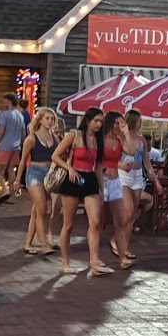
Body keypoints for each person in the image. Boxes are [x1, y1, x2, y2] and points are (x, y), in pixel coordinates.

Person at [51, 106, 111, 276]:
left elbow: (99, 167)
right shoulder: (74, 135)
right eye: (96, 121)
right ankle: (65, 262)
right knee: (68, 224)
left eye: (101, 121)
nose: (99, 124)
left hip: (90, 178)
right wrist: (69, 168)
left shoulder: (99, 140)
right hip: (73, 179)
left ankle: (94, 260)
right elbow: (55, 155)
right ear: (88, 120)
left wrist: (101, 189)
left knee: (95, 222)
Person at [14, 106, 60, 255]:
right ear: (39, 120)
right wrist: (17, 180)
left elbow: (59, 157)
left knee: (36, 211)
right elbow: (22, 160)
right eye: (47, 118)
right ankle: (43, 243)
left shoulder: (55, 138)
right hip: (34, 173)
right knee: (42, 210)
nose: (50, 121)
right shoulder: (31, 138)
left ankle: (28, 244)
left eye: (52, 118)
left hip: (49, 175)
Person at [100, 110, 136, 268]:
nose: (119, 125)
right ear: (109, 123)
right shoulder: (100, 139)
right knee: (96, 222)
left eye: (122, 122)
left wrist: (126, 132)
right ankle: (94, 257)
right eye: (117, 123)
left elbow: (132, 151)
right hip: (101, 180)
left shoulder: (120, 139)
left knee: (120, 221)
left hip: (115, 182)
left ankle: (122, 258)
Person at [121, 110, 161, 234]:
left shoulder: (142, 139)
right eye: (139, 122)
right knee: (128, 210)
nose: (140, 124)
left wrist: (156, 180)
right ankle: (120, 236)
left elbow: (146, 161)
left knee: (133, 211)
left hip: (138, 174)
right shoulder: (121, 137)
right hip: (125, 173)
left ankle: (124, 242)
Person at [0, 95, 27, 203]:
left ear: (9, 101)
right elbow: (23, 132)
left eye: (5, 100)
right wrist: (20, 143)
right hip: (16, 146)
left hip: (4, 145)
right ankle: (12, 196)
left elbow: (1, 131)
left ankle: (5, 189)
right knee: (11, 170)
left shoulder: (4, 115)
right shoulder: (20, 115)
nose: (3, 102)